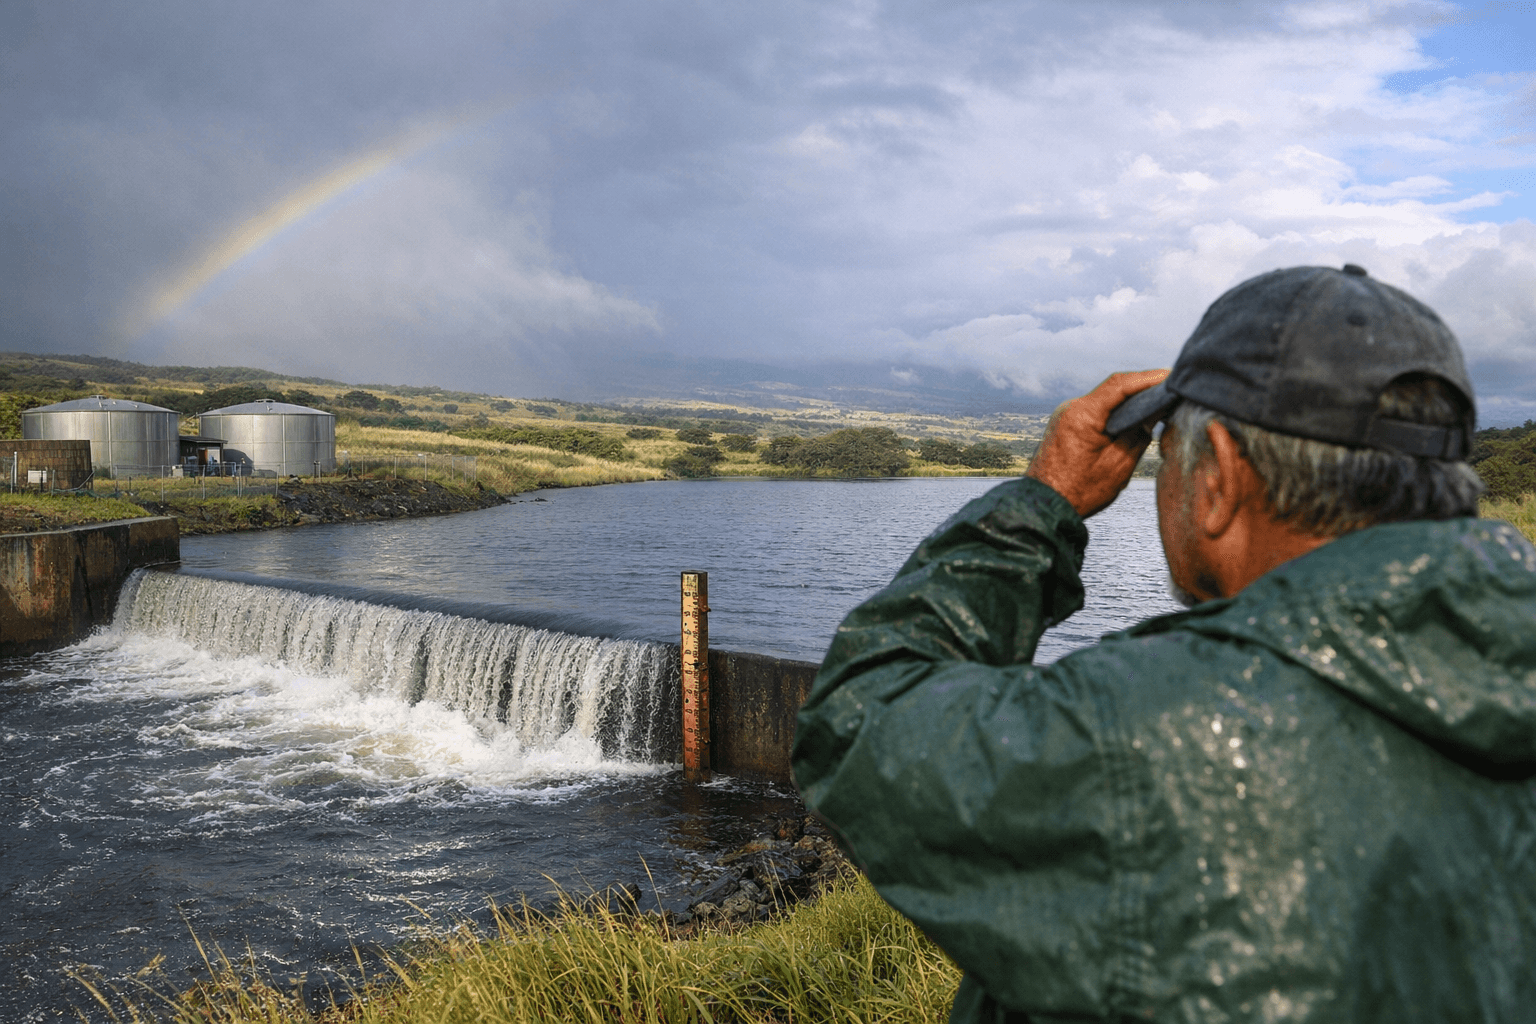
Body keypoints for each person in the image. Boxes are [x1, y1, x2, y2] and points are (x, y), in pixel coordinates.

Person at [791, 265, 1536, 1023]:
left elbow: (858, 721)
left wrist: (1040, 502)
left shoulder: (1147, 729)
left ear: (1219, 478)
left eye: (1170, 453)